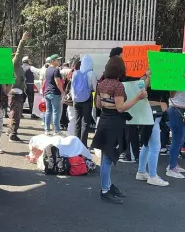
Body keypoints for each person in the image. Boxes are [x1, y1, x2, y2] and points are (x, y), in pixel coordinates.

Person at [91, 56, 147, 204]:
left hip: (103, 121)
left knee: (105, 157)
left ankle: (108, 185)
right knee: (108, 159)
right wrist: (138, 98)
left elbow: (98, 104)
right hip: (115, 124)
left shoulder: (101, 83)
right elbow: (121, 108)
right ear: (120, 70)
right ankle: (105, 190)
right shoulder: (118, 86)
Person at [136, 86, 170, 186]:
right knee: (154, 147)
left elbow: (171, 95)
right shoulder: (148, 80)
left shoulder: (163, 82)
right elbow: (141, 97)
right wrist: (161, 104)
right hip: (151, 116)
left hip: (155, 116)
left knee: (147, 145)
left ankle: (142, 172)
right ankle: (152, 176)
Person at [7, 32, 31, 142]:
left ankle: (11, 131)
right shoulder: (15, 63)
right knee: (15, 114)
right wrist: (23, 40)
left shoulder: (18, 67)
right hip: (15, 93)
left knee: (15, 114)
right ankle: (12, 133)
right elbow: (19, 53)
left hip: (18, 93)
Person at [71, 55, 97, 146]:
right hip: (86, 100)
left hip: (76, 100)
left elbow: (72, 87)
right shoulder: (91, 74)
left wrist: (74, 97)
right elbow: (95, 88)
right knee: (85, 122)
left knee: (77, 122)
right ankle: (83, 144)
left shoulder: (76, 73)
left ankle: (76, 143)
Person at [166, 91, 185, 179]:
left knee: (180, 139)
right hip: (176, 108)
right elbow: (171, 94)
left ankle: (173, 164)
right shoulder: (176, 78)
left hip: (179, 108)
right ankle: (172, 167)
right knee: (177, 139)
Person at [44, 54, 65, 135]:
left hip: (47, 92)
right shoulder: (56, 70)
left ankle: (47, 130)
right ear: (53, 61)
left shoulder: (48, 69)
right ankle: (56, 130)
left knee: (48, 111)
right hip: (54, 93)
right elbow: (57, 82)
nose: (59, 61)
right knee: (56, 111)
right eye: (58, 60)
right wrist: (62, 91)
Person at [65, 59, 81, 136]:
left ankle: (70, 135)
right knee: (73, 120)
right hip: (74, 101)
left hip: (70, 101)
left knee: (72, 119)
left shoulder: (71, 74)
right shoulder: (77, 76)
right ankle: (71, 136)